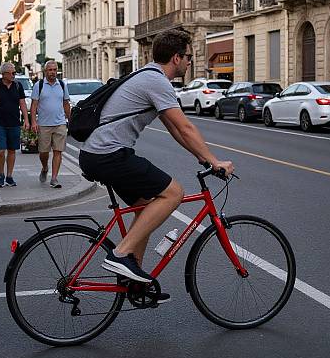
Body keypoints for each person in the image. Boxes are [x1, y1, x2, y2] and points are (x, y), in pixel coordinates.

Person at [79, 30, 234, 292]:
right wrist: (214, 161)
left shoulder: (148, 77)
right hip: (108, 154)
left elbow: (174, 128)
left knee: (144, 205)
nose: (190, 62)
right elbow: (185, 128)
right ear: (176, 58)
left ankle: (134, 279)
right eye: (188, 56)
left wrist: (201, 157)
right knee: (173, 193)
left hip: (100, 153)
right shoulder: (157, 81)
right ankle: (120, 255)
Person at [0, 62, 30, 188]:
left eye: (14, 72)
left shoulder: (17, 85)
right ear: (4, 74)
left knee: (12, 150)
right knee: (0, 150)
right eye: (12, 73)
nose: (14, 75)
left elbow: (23, 104)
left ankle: (9, 176)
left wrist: (26, 120)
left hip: (14, 122)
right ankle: (1, 174)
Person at [30, 60, 71, 189]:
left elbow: (66, 104)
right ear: (45, 71)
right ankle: (45, 167)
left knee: (58, 151)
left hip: (60, 123)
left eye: (54, 70)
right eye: (50, 70)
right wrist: (33, 122)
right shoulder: (39, 85)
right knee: (43, 152)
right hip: (44, 124)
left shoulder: (62, 85)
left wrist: (71, 120)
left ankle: (54, 178)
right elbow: (34, 105)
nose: (53, 72)